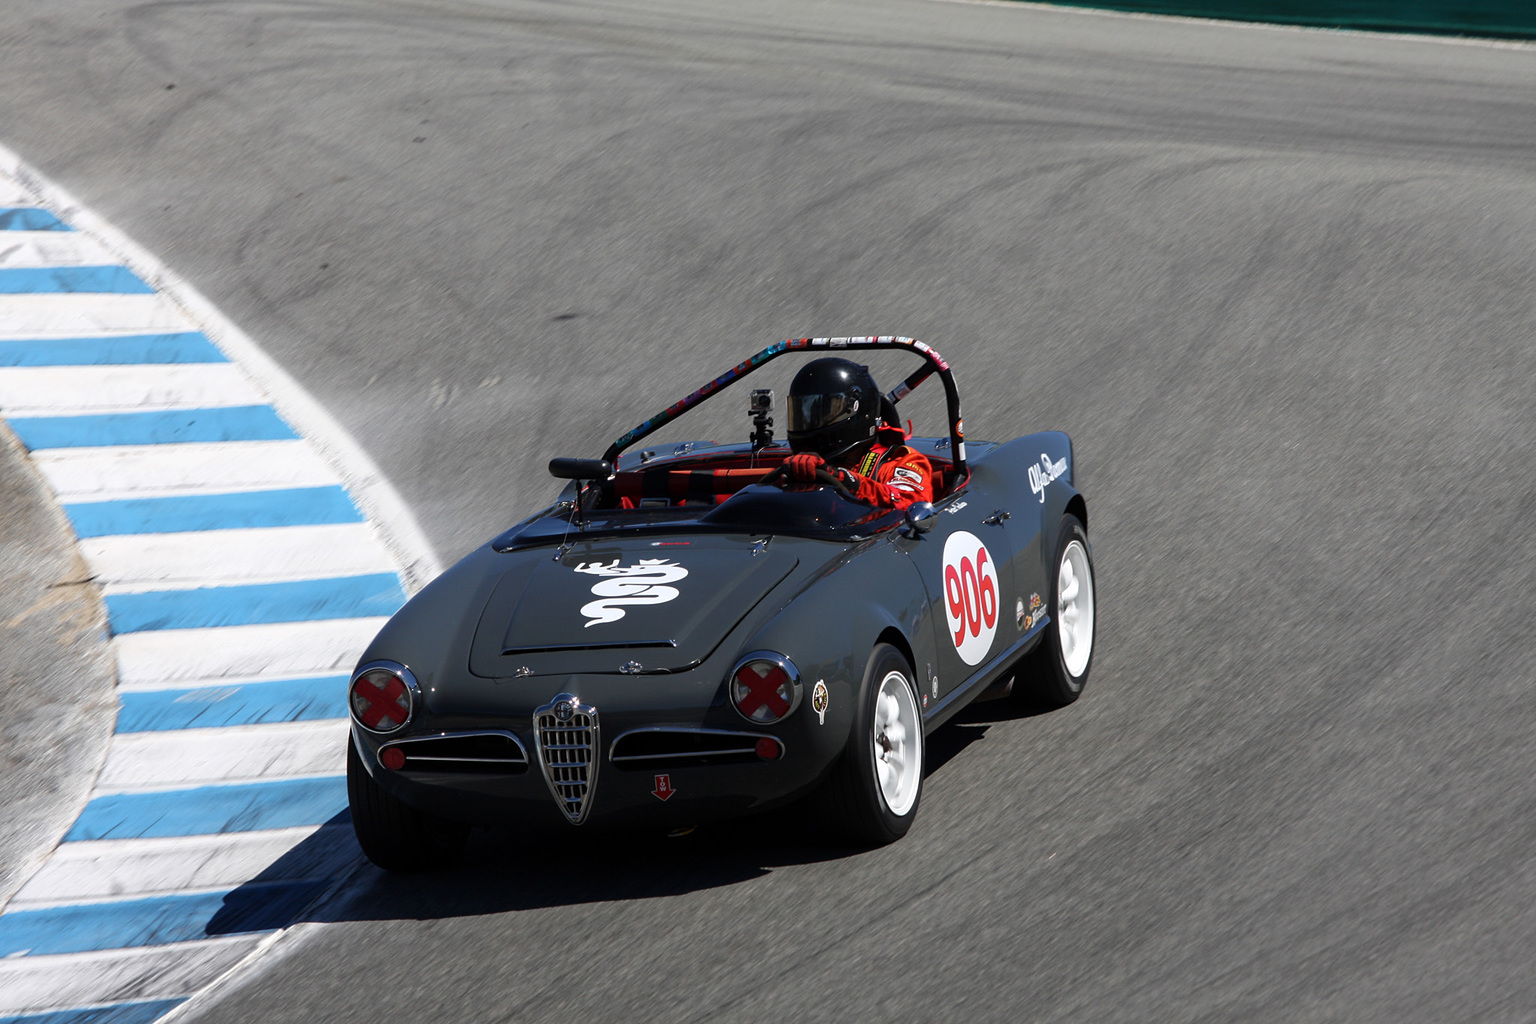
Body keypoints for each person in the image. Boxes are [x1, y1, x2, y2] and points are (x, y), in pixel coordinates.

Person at [780, 357, 935, 510]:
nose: (810, 421)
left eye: (823, 413)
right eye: (803, 413)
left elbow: (909, 504)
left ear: (855, 411)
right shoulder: (797, 464)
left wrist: (843, 479)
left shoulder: (900, 463)